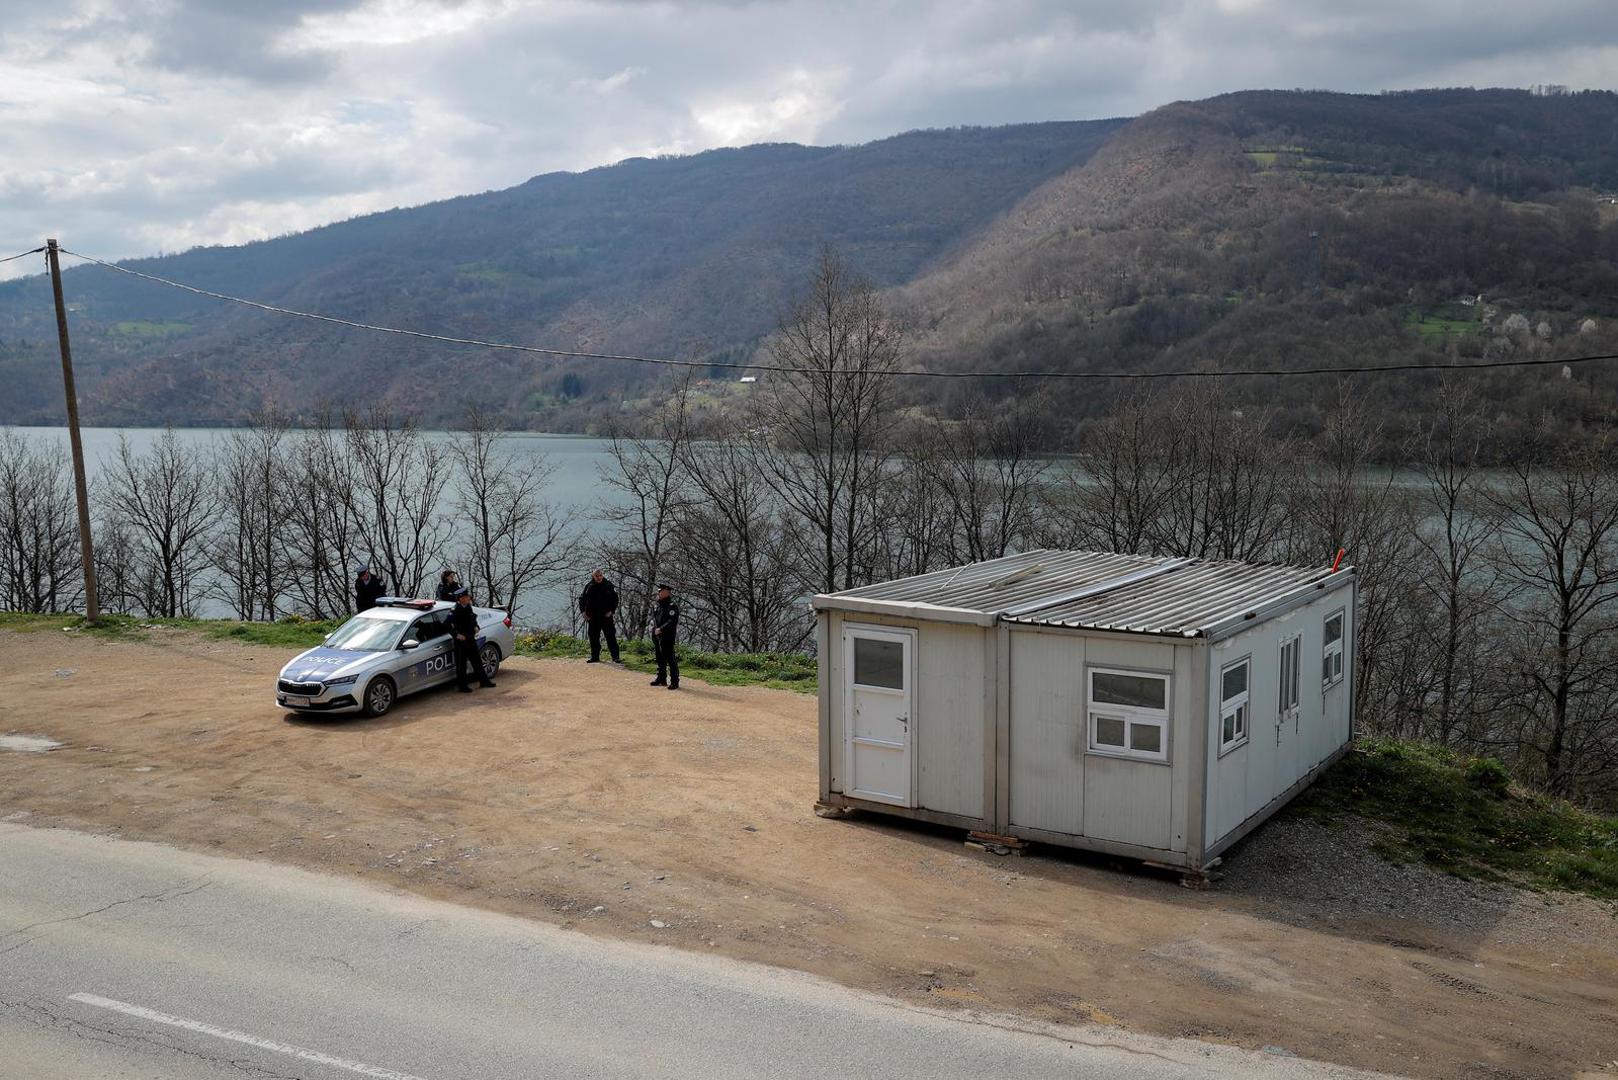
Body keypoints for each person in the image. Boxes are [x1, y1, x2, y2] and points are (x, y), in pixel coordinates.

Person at [449, 587, 495, 692]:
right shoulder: (455, 610)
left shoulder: (468, 607)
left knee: (477, 661)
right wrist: (456, 635)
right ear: (460, 599)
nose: (469, 598)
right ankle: (463, 686)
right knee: (462, 665)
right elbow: (448, 625)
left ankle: (484, 681)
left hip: (470, 638)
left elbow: (472, 618)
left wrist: (476, 626)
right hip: (461, 642)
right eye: (466, 597)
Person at [578, 569, 621, 663]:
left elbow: (615, 599)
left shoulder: (608, 585)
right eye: (596, 576)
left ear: (602, 575)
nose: (599, 577)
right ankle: (595, 657)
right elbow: (582, 599)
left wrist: (612, 611)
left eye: (600, 575)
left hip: (606, 616)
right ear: (593, 576)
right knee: (593, 638)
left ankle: (616, 657)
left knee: (610, 637)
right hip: (593, 617)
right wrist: (583, 612)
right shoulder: (589, 586)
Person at [649, 582, 679, 690]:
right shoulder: (657, 605)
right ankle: (661, 678)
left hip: (667, 636)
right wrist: (654, 630)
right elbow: (655, 620)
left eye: (661, 592)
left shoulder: (672, 606)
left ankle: (675, 681)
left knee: (670, 659)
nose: (659, 593)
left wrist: (661, 629)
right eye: (659, 592)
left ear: (667, 592)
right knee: (659, 658)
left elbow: (672, 621)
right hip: (657, 636)